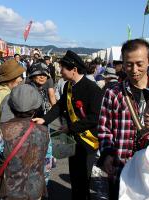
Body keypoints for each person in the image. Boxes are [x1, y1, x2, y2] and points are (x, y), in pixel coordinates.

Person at [97, 38, 149, 200]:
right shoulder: (113, 92)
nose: (134, 69)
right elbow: (104, 128)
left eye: (140, 63)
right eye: (129, 64)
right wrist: (107, 153)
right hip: (120, 168)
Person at [33, 50, 104, 199]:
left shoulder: (93, 89)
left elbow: (94, 118)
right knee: (75, 177)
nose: (60, 71)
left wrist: (70, 128)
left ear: (74, 70)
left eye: (62, 68)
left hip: (88, 142)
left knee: (83, 180)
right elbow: (60, 106)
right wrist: (44, 119)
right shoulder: (68, 86)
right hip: (72, 139)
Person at [0, 84, 49, 199]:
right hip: (35, 191)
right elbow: (47, 163)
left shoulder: (2, 130)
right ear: (35, 108)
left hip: (7, 191)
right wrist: (43, 184)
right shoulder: (44, 131)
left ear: (11, 107)